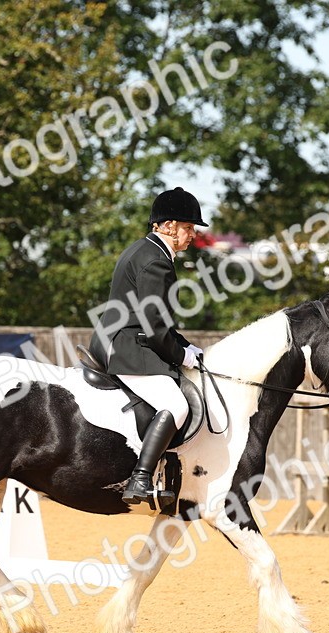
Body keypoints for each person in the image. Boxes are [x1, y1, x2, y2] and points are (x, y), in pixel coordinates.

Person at [87, 186, 207, 507]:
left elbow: (160, 322)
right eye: (188, 227)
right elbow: (155, 328)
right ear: (167, 226)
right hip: (130, 348)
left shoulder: (143, 250)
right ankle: (140, 477)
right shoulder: (156, 262)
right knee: (178, 406)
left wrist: (186, 346)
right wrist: (181, 355)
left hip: (125, 340)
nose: (192, 234)